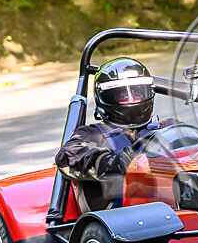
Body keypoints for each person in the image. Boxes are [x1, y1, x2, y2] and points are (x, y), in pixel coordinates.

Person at [55, 57, 163, 210]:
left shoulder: (165, 127)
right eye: (123, 95)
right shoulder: (91, 135)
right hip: (117, 221)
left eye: (137, 93)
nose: (131, 99)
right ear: (106, 98)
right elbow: (66, 159)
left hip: (174, 208)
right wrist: (112, 162)